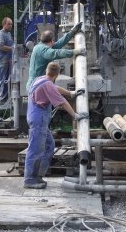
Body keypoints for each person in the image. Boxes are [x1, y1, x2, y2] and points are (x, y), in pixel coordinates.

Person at [24, 61, 89, 189]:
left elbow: (55, 88)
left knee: (49, 146)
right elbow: (63, 102)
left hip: (36, 117)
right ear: (58, 74)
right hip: (39, 120)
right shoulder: (48, 85)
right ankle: (30, 180)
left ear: (47, 71)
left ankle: (38, 175)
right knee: (35, 150)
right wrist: (75, 116)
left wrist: (71, 93)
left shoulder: (40, 79)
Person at [26, 22, 85, 91]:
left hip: (38, 84)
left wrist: (71, 33)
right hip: (36, 86)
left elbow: (59, 44)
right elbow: (56, 53)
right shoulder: (42, 50)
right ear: (52, 40)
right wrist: (74, 51)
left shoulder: (40, 46)